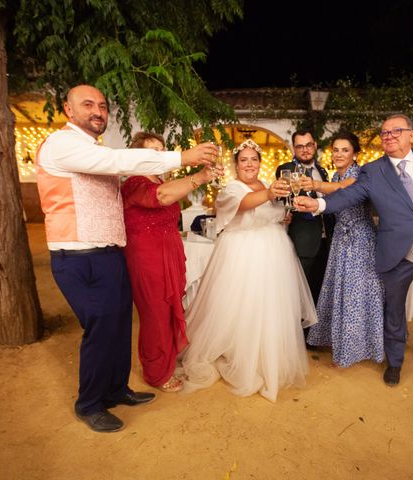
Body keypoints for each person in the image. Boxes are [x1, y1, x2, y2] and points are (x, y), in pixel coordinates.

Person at [35, 84, 217, 432]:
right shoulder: (62, 144)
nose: (98, 111)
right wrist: (183, 158)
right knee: (100, 331)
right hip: (78, 255)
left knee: (119, 327)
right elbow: (120, 162)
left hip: (110, 252)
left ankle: (117, 389)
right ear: (68, 111)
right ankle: (89, 404)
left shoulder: (93, 149)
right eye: (87, 104)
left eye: (102, 106)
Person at [295, 114, 413, 386]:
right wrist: (320, 205)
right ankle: (394, 363)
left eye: (396, 131)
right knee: (393, 311)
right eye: (384, 133)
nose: (389, 136)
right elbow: (348, 194)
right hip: (396, 253)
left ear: (412, 135)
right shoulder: (373, 171)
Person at [180, 139, 317, 402]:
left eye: (254, 159)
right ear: (236, 165)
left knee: (270, 307)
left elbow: (273, 211)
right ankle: (237, 351)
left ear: (259, 163)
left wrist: (282, 214)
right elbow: (243, 205)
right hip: (242, 253)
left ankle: (268, 355)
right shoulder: (232, 188)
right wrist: (269, 196)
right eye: (244, 160)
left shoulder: (267, 186)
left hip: (275, 252)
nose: (250, 164)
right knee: (241, 305)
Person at [121, 131, 220, 393]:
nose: (160, 155)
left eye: (162, 150)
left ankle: (165, 360)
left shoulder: (162, 180)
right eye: (152, 151)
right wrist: (198, 177)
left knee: (169, 308)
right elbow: (160, 197)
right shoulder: (133, 183)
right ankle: (155, 372)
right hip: (147, 258)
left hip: (170, 254)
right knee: (154, 313)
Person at [303, 131, 385, 367]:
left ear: (355, 154)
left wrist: (315, 185)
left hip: (360, 240)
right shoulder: (335, 176)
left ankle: (361, 347)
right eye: (335, 150)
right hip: (341, 238)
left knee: (359, 295)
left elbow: (345, 190)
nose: (339, 154)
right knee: (342, 293)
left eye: (345, 150)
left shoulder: (359, 175)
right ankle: (342, 343)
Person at [275, 129, 333, 304]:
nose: (305, 150)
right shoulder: (287, 170)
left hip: (325, 240)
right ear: (294, 149)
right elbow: (281, 201)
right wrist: (285, 214)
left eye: (308, 145)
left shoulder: (322, 171)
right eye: (300, 146)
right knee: (301, 294)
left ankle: (316, 331)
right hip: (303, 241)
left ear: (314, 145)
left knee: (319, 292)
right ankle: (301, 331)